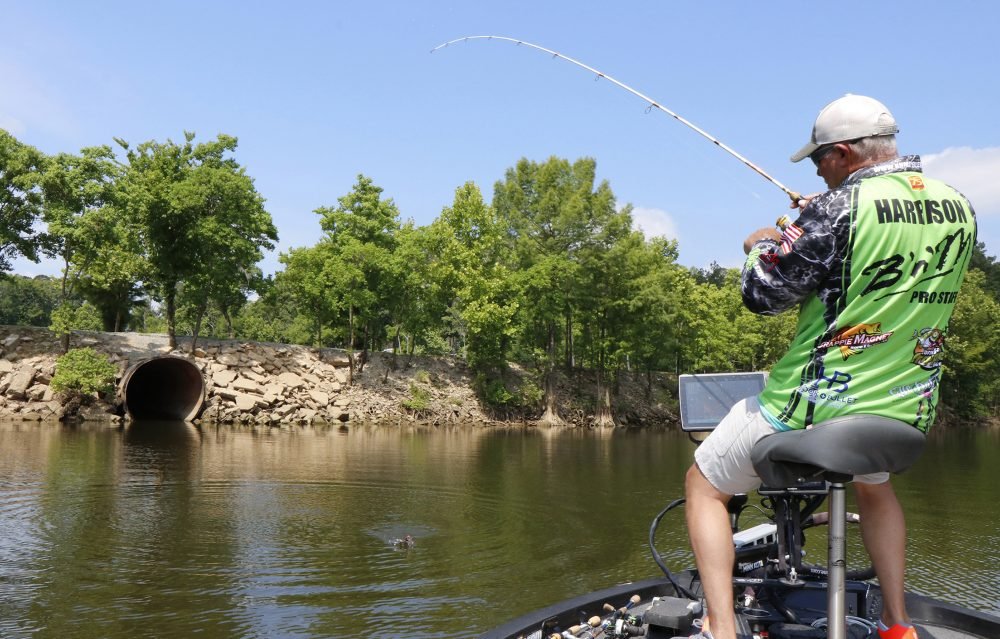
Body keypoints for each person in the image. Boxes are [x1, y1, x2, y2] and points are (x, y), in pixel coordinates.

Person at [681, 95, 977, 639]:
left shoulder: (839, 209)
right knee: (875, 486)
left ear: (843, 153)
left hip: (816, 403)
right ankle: (898, 624)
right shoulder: (957, 204)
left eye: (819, 159)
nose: (817, 170)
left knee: (703, 484)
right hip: (901, 405)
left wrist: (757, 247)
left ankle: (720, 627)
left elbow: (763, 294)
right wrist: (819, 221)